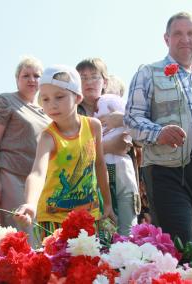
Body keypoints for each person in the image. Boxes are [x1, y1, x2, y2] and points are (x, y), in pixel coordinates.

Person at [124, 12, 192, 243]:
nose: (185, 39)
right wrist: (158, 133)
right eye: (178, 33)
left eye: (191, 33)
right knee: (180, 246)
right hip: (168, 171)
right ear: (166, 39)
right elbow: (132, 119)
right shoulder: (148, 72)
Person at [15, 65, 115, 241]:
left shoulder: (93, 126)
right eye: (45, 99)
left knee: (92, 264)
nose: (52, 105)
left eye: (59, 97)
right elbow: (38, 173)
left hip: (89, 215)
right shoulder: (48, 137)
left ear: (77, 97)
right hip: (53, 219)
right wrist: (30, 203)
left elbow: (99, 164)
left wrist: (107, 203)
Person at [0, 56, 51, 244]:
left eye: (37, 76)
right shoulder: (5, 101)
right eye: (26, 75)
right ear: (17, 79)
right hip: (11, 177)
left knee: (39, 238)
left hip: (38, 183)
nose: (32, 80)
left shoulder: (45, 111)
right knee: (19, 234)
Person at [94, 94, 139, 235]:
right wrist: (106, 146)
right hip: (95, 176)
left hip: (125, 171)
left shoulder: (112, 100)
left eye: (94, 76)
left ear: (104, 80)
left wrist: (123, 119)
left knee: (128, 231)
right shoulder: (76, 109)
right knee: (104, 233)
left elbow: (140, 138)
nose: (89, 82)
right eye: (84, 77)